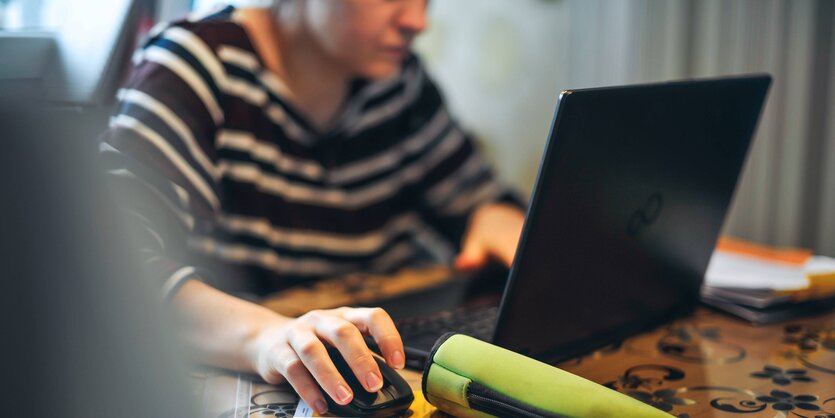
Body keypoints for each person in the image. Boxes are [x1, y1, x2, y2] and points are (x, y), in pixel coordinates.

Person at [100, 0, 525, 414]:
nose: (417, 20)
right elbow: (112, 270)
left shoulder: (399, 81)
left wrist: (488, 213)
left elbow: (475, 197)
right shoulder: (196, 66)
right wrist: (267, 337)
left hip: (381, 371)